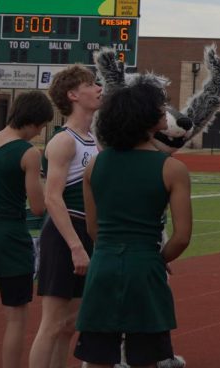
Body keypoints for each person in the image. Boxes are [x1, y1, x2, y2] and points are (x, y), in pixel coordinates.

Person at [73, 79, 193, 367]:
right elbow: (182, 236)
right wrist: (158, 259)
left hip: (104, 265)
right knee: (148, 357)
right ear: (146, 118)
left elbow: (93, 228)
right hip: (145, 267)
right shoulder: (172, 168)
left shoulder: (95, 165)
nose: (165, 112)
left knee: (98, 357)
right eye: (160, 107)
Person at [29, 64, 103, 368]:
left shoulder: (93, 141)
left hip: (86, 233)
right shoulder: (64, 140)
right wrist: (75, 246)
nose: (99, 89)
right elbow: (52, 198)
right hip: (65, 235)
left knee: (69, 325)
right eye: (91, 84)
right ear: (73, 94)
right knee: (51, 325)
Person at [0, 91, 52, 368]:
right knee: (16, 315)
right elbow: (37, 206)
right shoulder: (28, 153)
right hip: (11, 236)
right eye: (42, 126)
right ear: (32, 121)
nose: (40, 132)